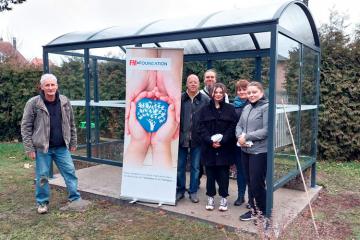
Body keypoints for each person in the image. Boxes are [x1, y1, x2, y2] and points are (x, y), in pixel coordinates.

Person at [21, 73, 91, 214]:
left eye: (53, 84)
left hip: (61, 147)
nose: (50, 87)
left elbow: (71, 123)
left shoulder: (64, 101)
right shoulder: (34, 103)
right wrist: (29, 147)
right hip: (43, 148)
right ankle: (42, 203)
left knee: (70, 172)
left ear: (57, 86)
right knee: (42, 176)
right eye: (47, 85)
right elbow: (26, 126)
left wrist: (73, 141)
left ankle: (75, 198)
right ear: (41, 87)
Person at [198, 83, 237, 211]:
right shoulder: (204, 109)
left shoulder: (230, 109)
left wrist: (223, 140)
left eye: (221, 92)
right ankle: (210, 197)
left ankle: (224, 198)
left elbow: (233, 127)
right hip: (209, 149)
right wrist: (210, 141)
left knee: (223, 175)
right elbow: (201, 127)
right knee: (210, 175)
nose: (218, 94)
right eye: (216, 92)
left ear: (224, 93)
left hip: (224, 148)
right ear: (212, 94)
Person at [235, 81, 269, 221]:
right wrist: (239, 136)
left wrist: (247, 136)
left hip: (259, 152)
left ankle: (263, 212)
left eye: (254, 92)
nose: (251, 95)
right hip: (245, 150)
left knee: (257, 183)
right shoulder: (247, 107)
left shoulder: (266, 107)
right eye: (249, 93)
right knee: (249, 181)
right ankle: (254, 209)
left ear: (261, 92)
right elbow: (239, 125)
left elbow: (266, 131)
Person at [176, 74, 209, 203]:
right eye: (191, 82)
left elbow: (208, 119)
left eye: (195, 82)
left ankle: (193, 191)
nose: (193, 84)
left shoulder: (205, 99)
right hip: (181, 138)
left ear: (199, 84)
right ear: (187, 84)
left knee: (196, 167)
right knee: (180, 166)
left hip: (198, 139)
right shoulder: (180, 98)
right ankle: (180, 190)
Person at [232, 79, 250, 207]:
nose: (241, 92)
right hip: (237, 144)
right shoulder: (234, 106)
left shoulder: (254, 104)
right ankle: (240, 196)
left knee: (252, 172)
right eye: (239, 89)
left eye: (244, 89)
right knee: (241, 171)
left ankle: (252, 198)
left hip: (251, 143)